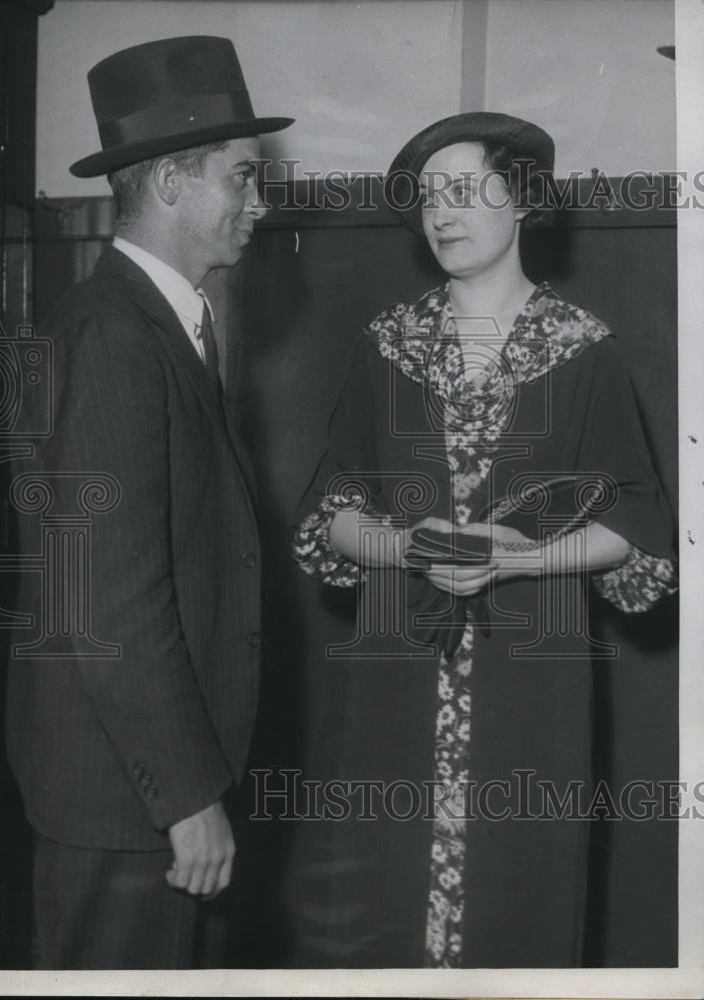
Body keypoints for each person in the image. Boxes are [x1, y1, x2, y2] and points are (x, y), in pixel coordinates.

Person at [292, 112, 676, 968]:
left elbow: (638, 528)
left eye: (465, 191)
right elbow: (332, 515)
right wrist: (403, 547)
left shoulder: (582, 351)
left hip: (531, 684)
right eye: (431, 197)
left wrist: (524, 557)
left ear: (525, 201)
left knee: (519, 905)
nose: (443, 213)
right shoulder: (387, 346)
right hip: (396, 666)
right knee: (383, 910)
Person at [5, 35, 292, 969]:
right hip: (133, 808)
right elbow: (110, 605)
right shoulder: (114, 340)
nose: (259, 202)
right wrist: (186, 797)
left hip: (144, 797)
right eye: (242, 179)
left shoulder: (162, 323)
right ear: (170, 180)